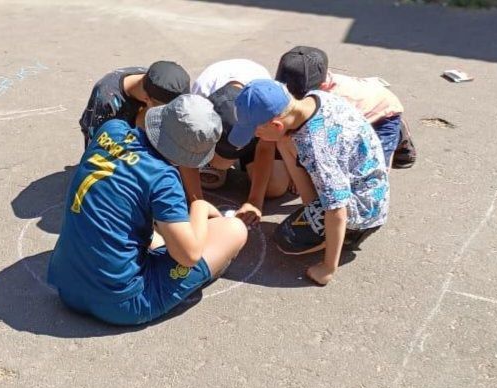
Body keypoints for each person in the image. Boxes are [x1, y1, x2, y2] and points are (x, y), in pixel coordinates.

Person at [48, 94, 248, 325]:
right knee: (234, 229)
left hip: (67, 286)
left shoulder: (111, 130)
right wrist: (200, 207)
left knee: (153, 232)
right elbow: (189, 256)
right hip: (122, 303)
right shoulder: (163, 178)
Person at [229, 79, 389, 286]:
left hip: (363, 207)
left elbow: (337, 210)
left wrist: (328, 268)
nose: (255, 137)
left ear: (276, 124)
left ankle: (351, 234)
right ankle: (314, 207)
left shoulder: (315, 146)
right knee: (285, 140)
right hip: (365, 180)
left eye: (256, 132)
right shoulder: (315, 99)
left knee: (287, 239)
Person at [182, 59, 289, 225]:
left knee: (275, 187)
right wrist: (198, 202)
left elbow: (265, 147)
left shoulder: (262, 100)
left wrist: (255, 201)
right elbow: (186, 152)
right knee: (217, 171)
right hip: (230, 130)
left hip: (252, 127)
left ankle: (225, 158)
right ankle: (216, 160)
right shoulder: (199, 100)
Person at [275, 46, 416, 169]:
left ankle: (399, 134)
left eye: (300, 96)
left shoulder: (338, 103)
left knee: (371, 168)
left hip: (382, 116)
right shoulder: (312, 85)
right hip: (354, 112)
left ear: (323, 87)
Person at [79, 61, 190, 149]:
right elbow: (96, 147)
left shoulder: (155, 82)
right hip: (108, 139)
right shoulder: (107, 100)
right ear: (147, 100)